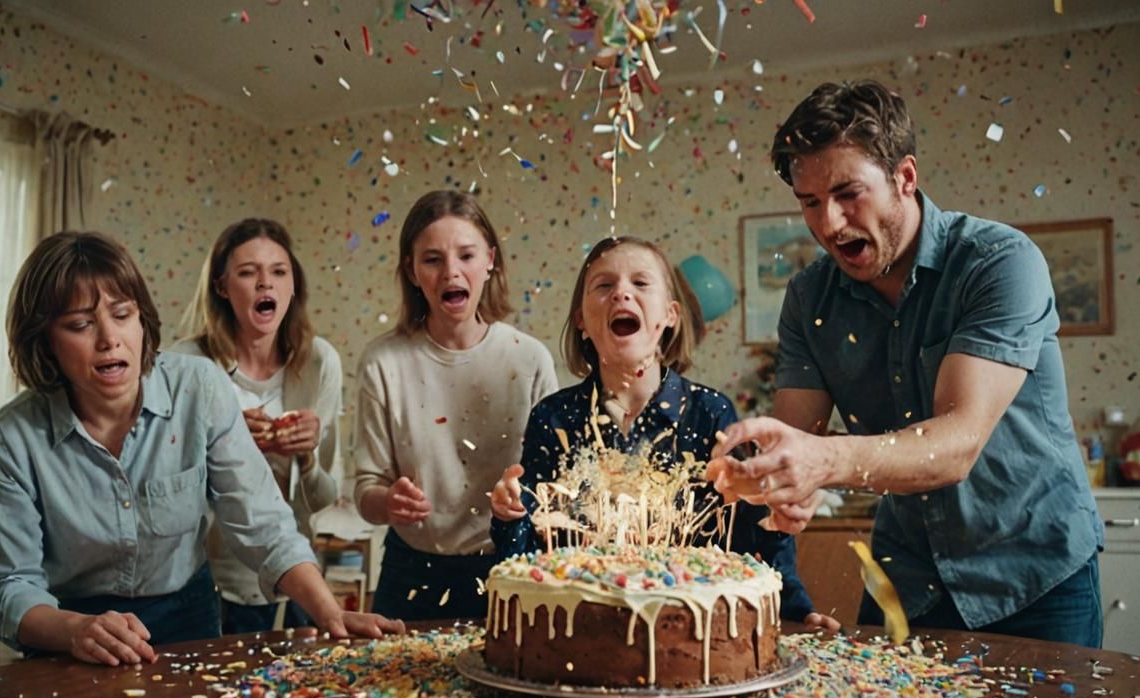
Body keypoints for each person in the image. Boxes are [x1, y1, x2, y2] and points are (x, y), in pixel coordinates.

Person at [711, 80, 1104, 647]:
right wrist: (776, 484)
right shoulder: (807, 298)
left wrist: (820, 462)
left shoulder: (999, 262)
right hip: (907, 576)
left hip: (1034, 574)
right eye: (810, 202)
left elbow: (957, 443)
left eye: (849, 193)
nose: (830, 223)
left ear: (905, 178)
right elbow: (796, 438)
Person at [0, 232, 403, 666]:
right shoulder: (11, 439)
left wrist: (330, 611)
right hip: (69, 633)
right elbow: (6, 587)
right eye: (81, 325)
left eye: (122, 315)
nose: (109, 339)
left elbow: (265, 523)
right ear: (44, 341)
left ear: (142, 320)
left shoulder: (198, 388)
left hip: (186, 621)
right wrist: (73, 630)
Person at [487, 235, 835, 627]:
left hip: (695, 635)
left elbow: (759, 535)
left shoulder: (710, 414)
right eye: (603, 285)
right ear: (582, 320)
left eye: (640, 283)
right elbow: (523, 558)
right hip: (579, 630)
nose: (622, 293)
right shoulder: (553, 419)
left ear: (670, 315)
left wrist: (794, 607)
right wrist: (509, 513)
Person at [352, 190, 558, 621]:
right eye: (432, 259)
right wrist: (387, 501)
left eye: (466, 255)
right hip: (411, 569)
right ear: (411, 271)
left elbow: (552, 487)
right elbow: (366, 492)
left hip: (509, 565)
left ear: (490, 261)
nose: (451, 272)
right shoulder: (382, 362)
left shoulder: (529, 358)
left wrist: (525, 501)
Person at [171, 218, 342, 634]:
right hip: (202, 588)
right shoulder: (185, 366)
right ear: (222, 287)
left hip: (293, 586)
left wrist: (308, 455)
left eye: (279, 272)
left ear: (293, 286)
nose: (266, 284)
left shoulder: (320, 363)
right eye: (248, 273)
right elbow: (166, 498)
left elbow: (323, 498)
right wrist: (223, 442)